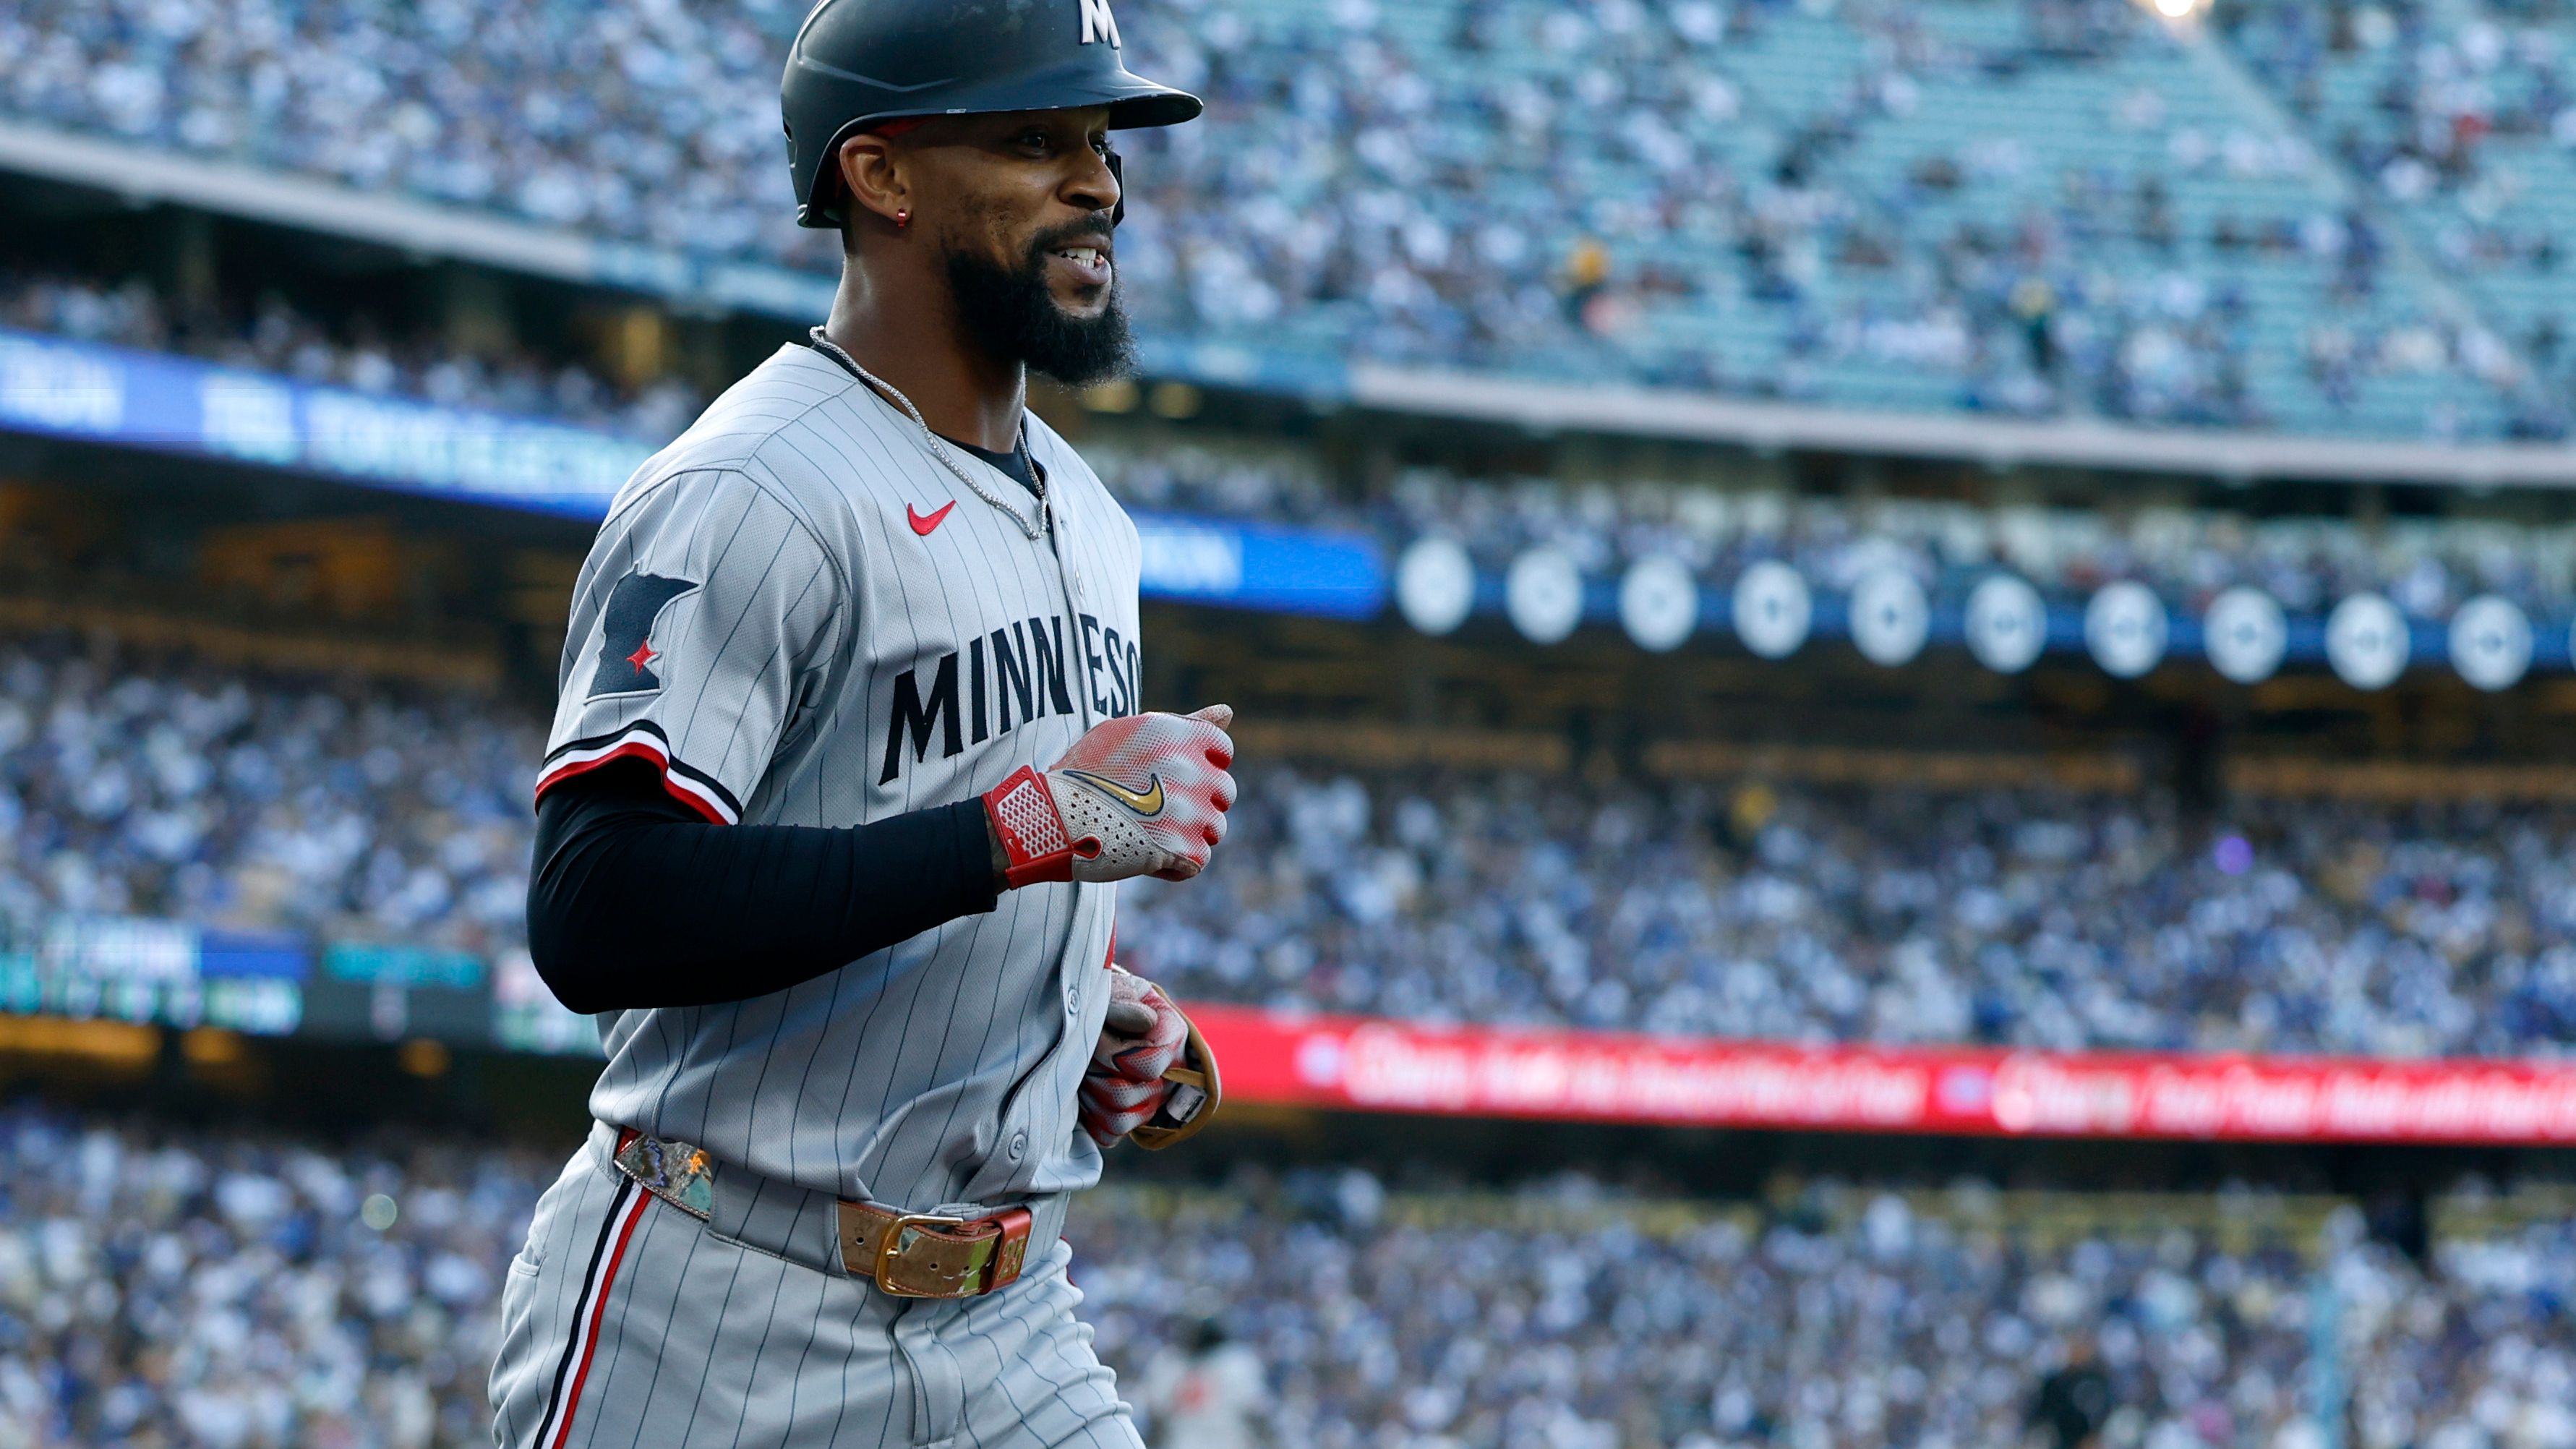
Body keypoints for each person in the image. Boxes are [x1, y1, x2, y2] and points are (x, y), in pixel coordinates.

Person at [484, 3, 1233, 1445]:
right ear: (879, 177)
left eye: (1099, 142)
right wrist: (1033, 834)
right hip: (716, 1310)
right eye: (1033, 140)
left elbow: (943, 848)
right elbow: (597, 909)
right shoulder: (749, 487)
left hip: (1011, 1316)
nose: (1098, 185)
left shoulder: (1089, 514)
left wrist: (1082, 1009)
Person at [1134, 1317, 1271, 1449]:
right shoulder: (1236, 1361)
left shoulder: (1169, 1362)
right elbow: (1256, 1410)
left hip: (1189, 1441)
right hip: (1220, 1439)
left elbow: (1155, 1412)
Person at [2027, 1333, 2116, 1449]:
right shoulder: (2055, 1383)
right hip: (2061, 1438)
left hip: (2088, 1435)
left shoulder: (2096, 1380)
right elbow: (2043, 1415)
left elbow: (2103, 1412)